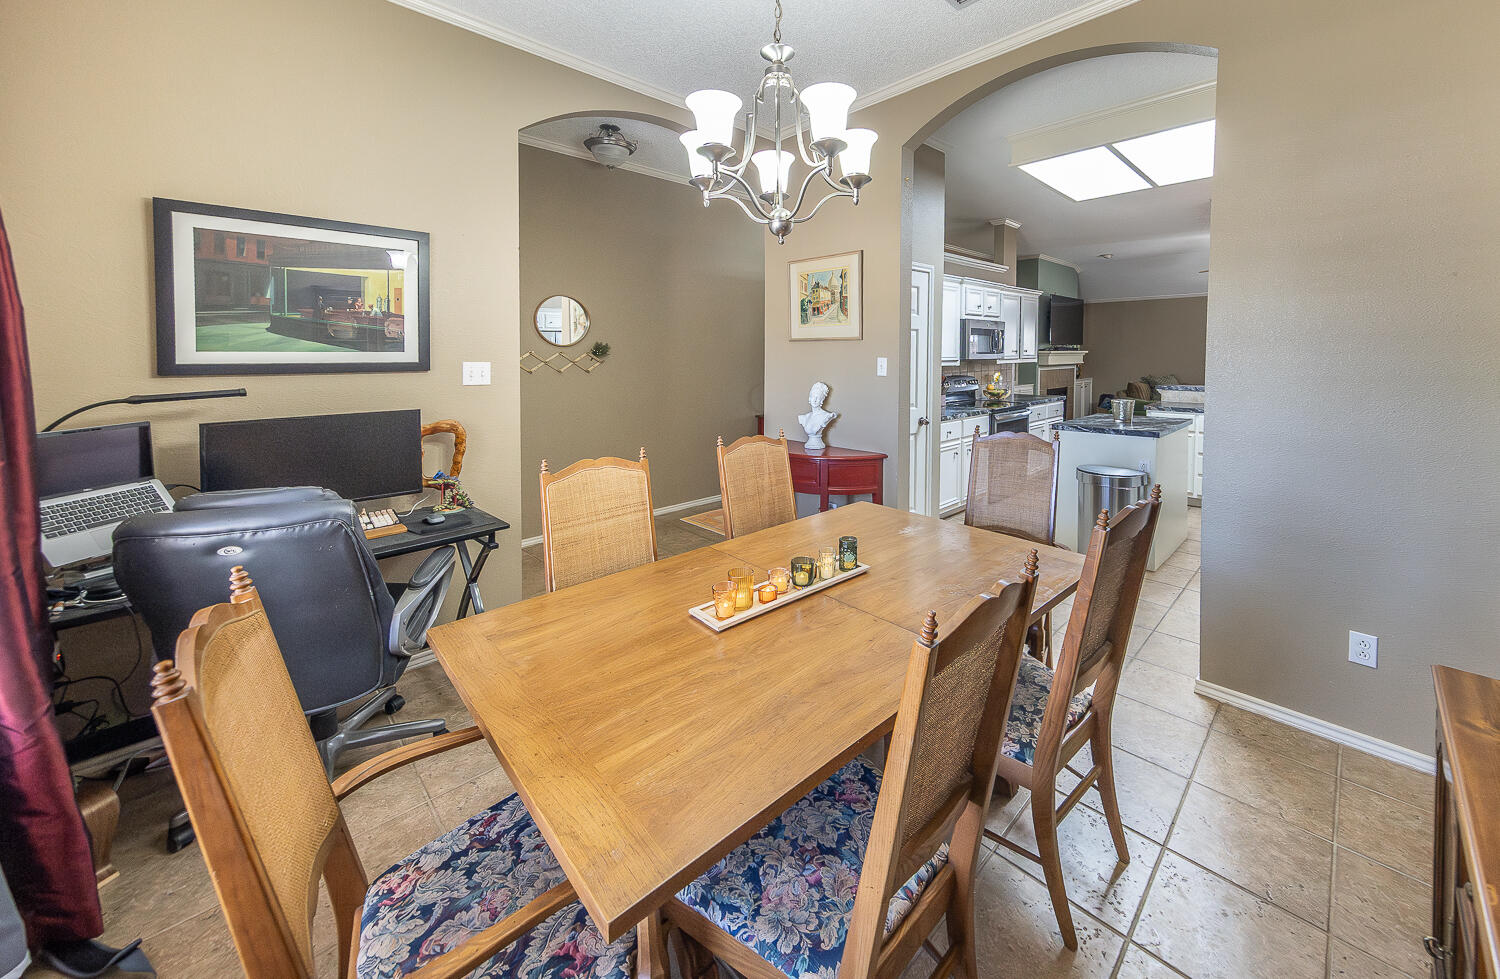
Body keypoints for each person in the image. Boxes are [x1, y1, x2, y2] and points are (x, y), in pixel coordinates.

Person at [798, 381, 838, 450]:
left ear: (822, 400)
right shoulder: (804, 417)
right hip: (809, 445)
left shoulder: (827, 416)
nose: (815, 400)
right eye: (813, 396)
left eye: (818, 397)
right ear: (809, 398)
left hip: (818, 445)